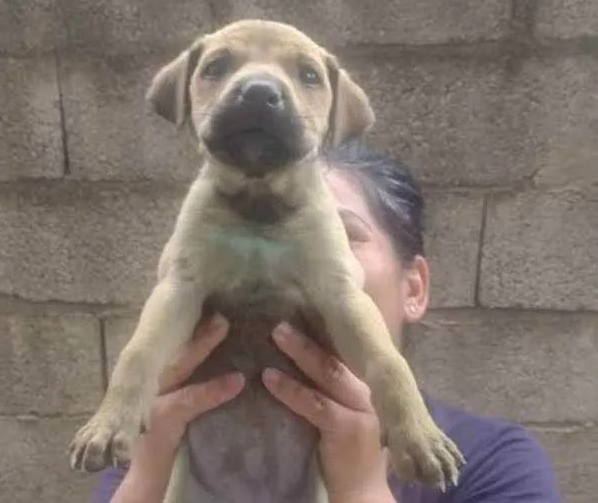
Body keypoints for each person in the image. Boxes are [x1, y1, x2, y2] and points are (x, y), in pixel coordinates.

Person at [92, 143, 561, 503]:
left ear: (413, 287)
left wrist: (359, 489)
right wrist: (149, 473)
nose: (285, 255)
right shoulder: (165, 435)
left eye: (340, 232)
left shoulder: (492, 462)